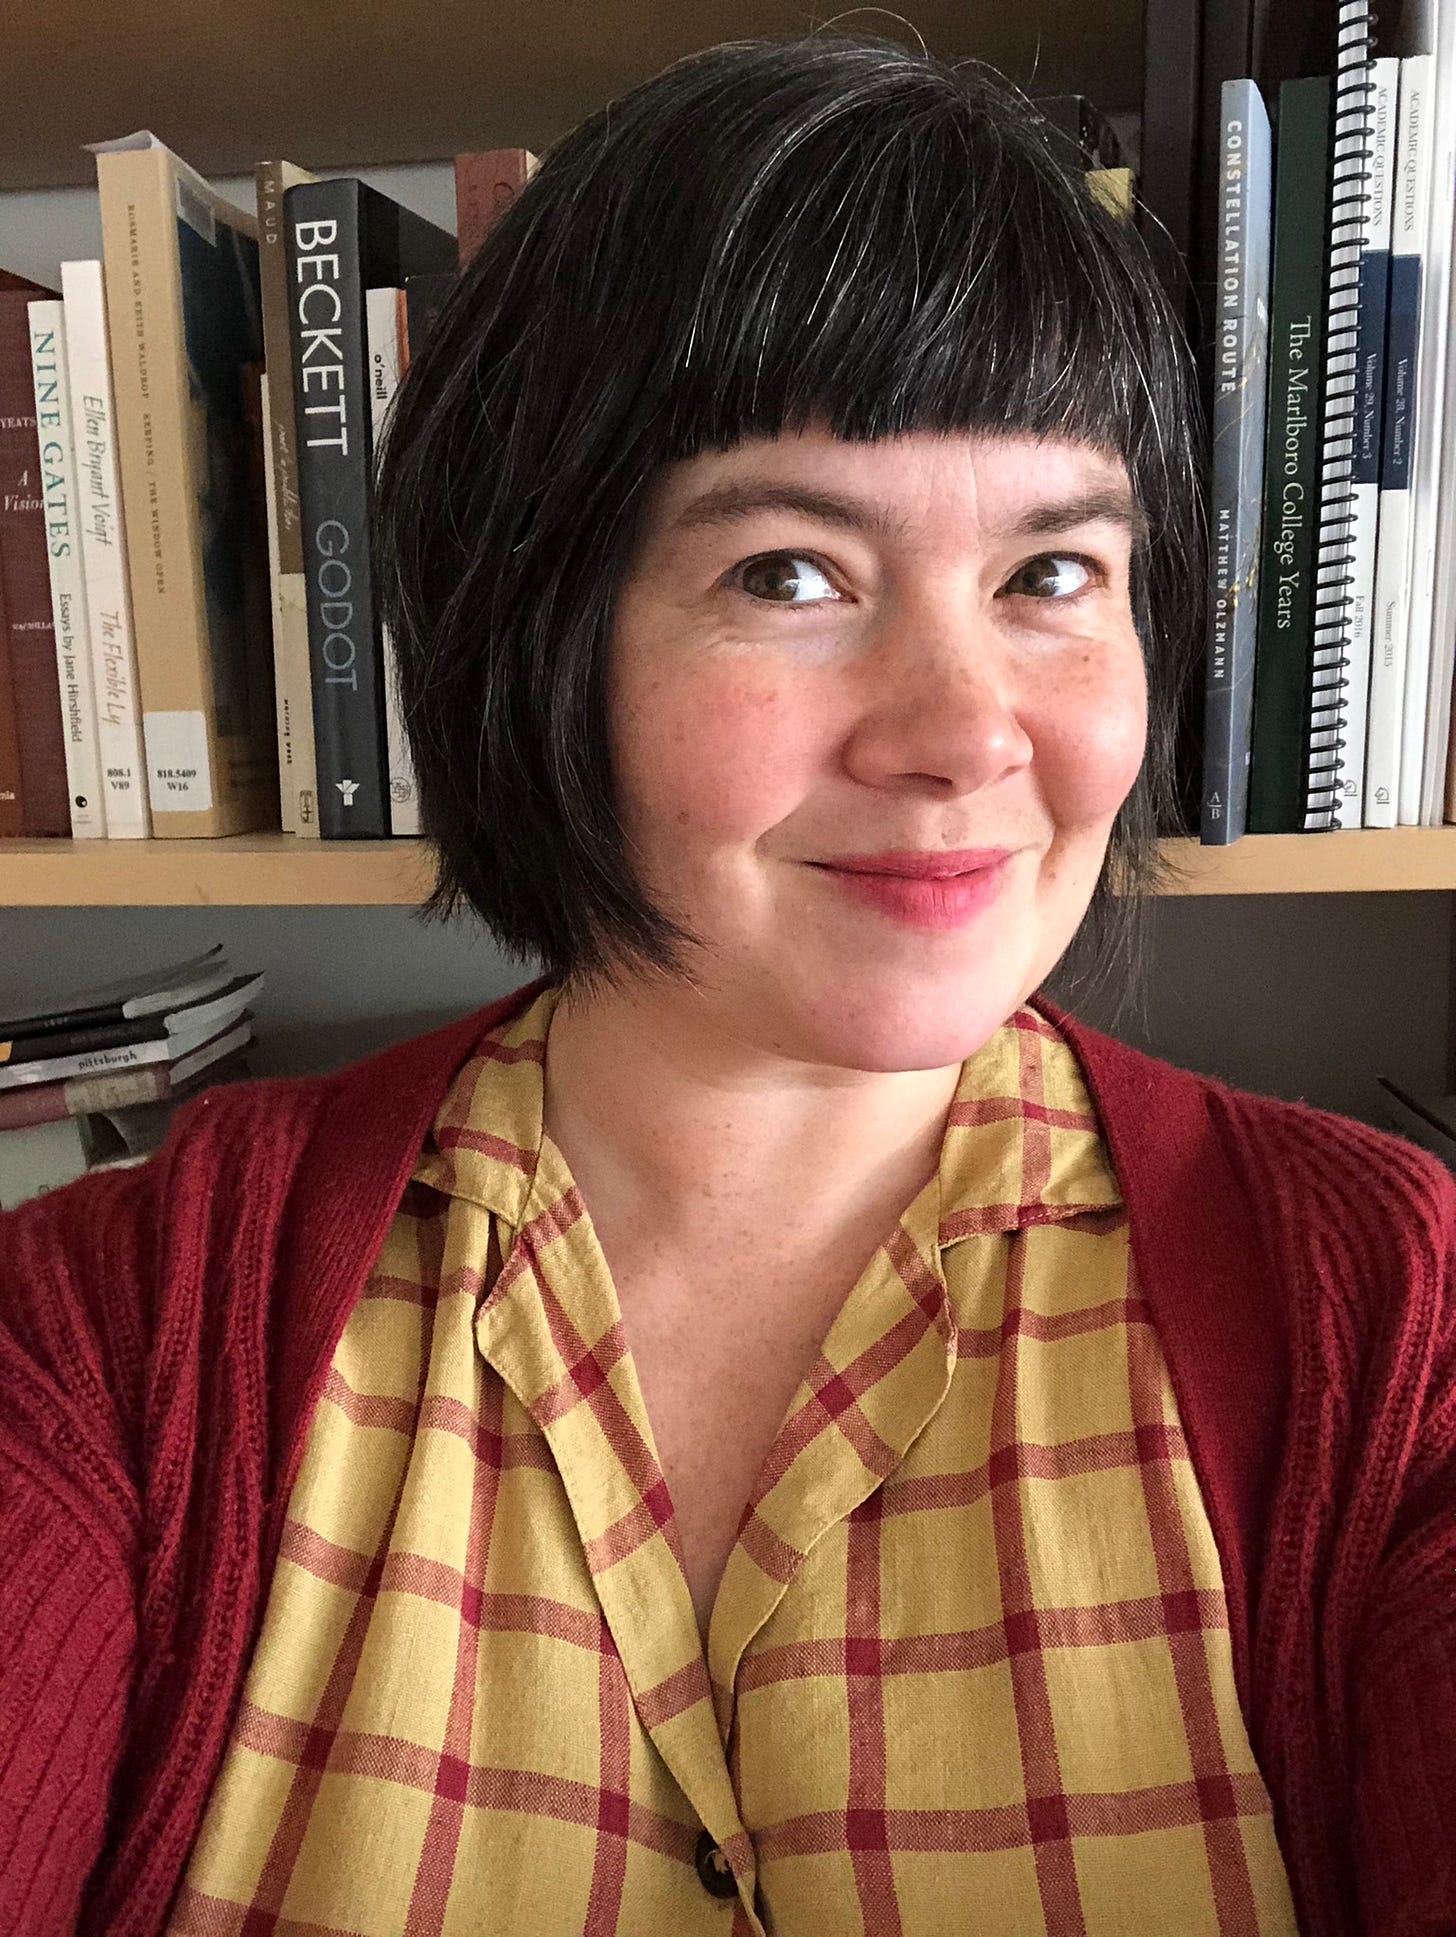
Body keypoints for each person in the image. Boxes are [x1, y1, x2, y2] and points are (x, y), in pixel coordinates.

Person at [0, 33, 1451, 1937]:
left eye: (1053, 574)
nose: (963, 734)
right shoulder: (114, 1335)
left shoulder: (1393, 1319)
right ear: (537, 628)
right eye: (787, 571)